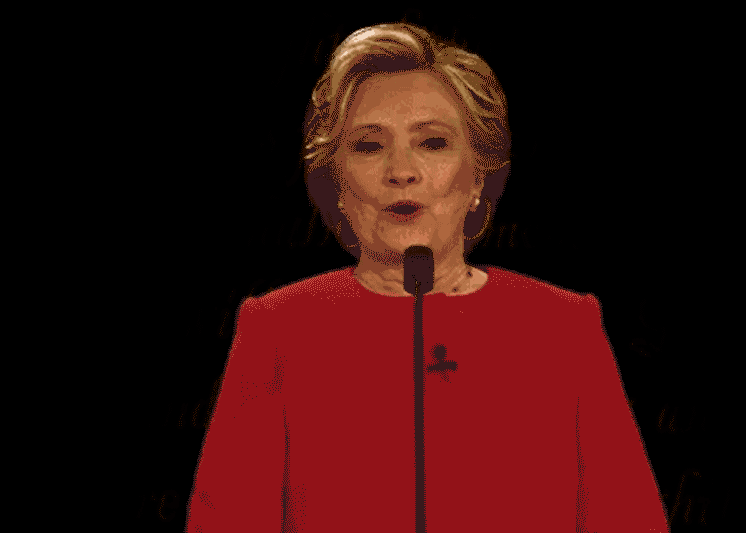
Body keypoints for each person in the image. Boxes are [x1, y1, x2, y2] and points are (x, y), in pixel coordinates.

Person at [185, 23, 669, 531]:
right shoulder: (276, 330)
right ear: (336, 184)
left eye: (433, 143)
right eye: (369, 146)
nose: (402, 171)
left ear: (479, 175)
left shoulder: (565, 326)